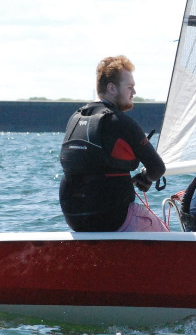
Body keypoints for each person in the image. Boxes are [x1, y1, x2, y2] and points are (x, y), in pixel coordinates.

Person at [59, 55, 166, 232]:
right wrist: (145, 178)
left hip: (75, 219)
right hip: (113, 218)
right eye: (130, 87)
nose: (134, 93)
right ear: (111, 88)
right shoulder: (120, 122)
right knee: (167, 239)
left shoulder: (76, 118)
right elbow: (157, 168)